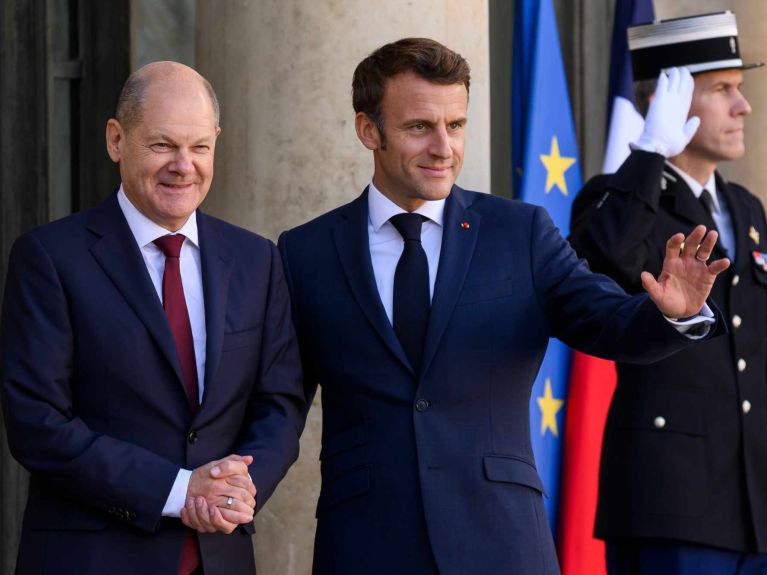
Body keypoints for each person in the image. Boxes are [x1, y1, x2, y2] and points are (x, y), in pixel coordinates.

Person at [278, 37, 729, 575]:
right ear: (368, 130)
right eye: (420, 127)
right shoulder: (305, 252)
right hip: (365, 542)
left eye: (457, 125)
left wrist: (672, 314)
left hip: (500, 541)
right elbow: (279, 398)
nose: (443, 147)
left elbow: (607, 321)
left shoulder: (520, 232)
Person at [0, 61, 306, 575]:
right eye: (163, 145)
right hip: (93, 558)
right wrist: (180, 489)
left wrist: (237, 488)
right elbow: (38, 423)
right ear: (117, 140)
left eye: (200, 147)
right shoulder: (50, 257)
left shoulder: (257, 260)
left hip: (220, 556)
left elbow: (280, 401)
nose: (184, 165)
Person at [568, 11, 767, 575]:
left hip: (753, 499)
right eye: (722, 90)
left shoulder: (746, 208)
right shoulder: (617, 198)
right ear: (668, 101)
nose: (742, 107)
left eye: (740, 90)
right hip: (671, 498)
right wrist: (649, 152)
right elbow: (597, 264)